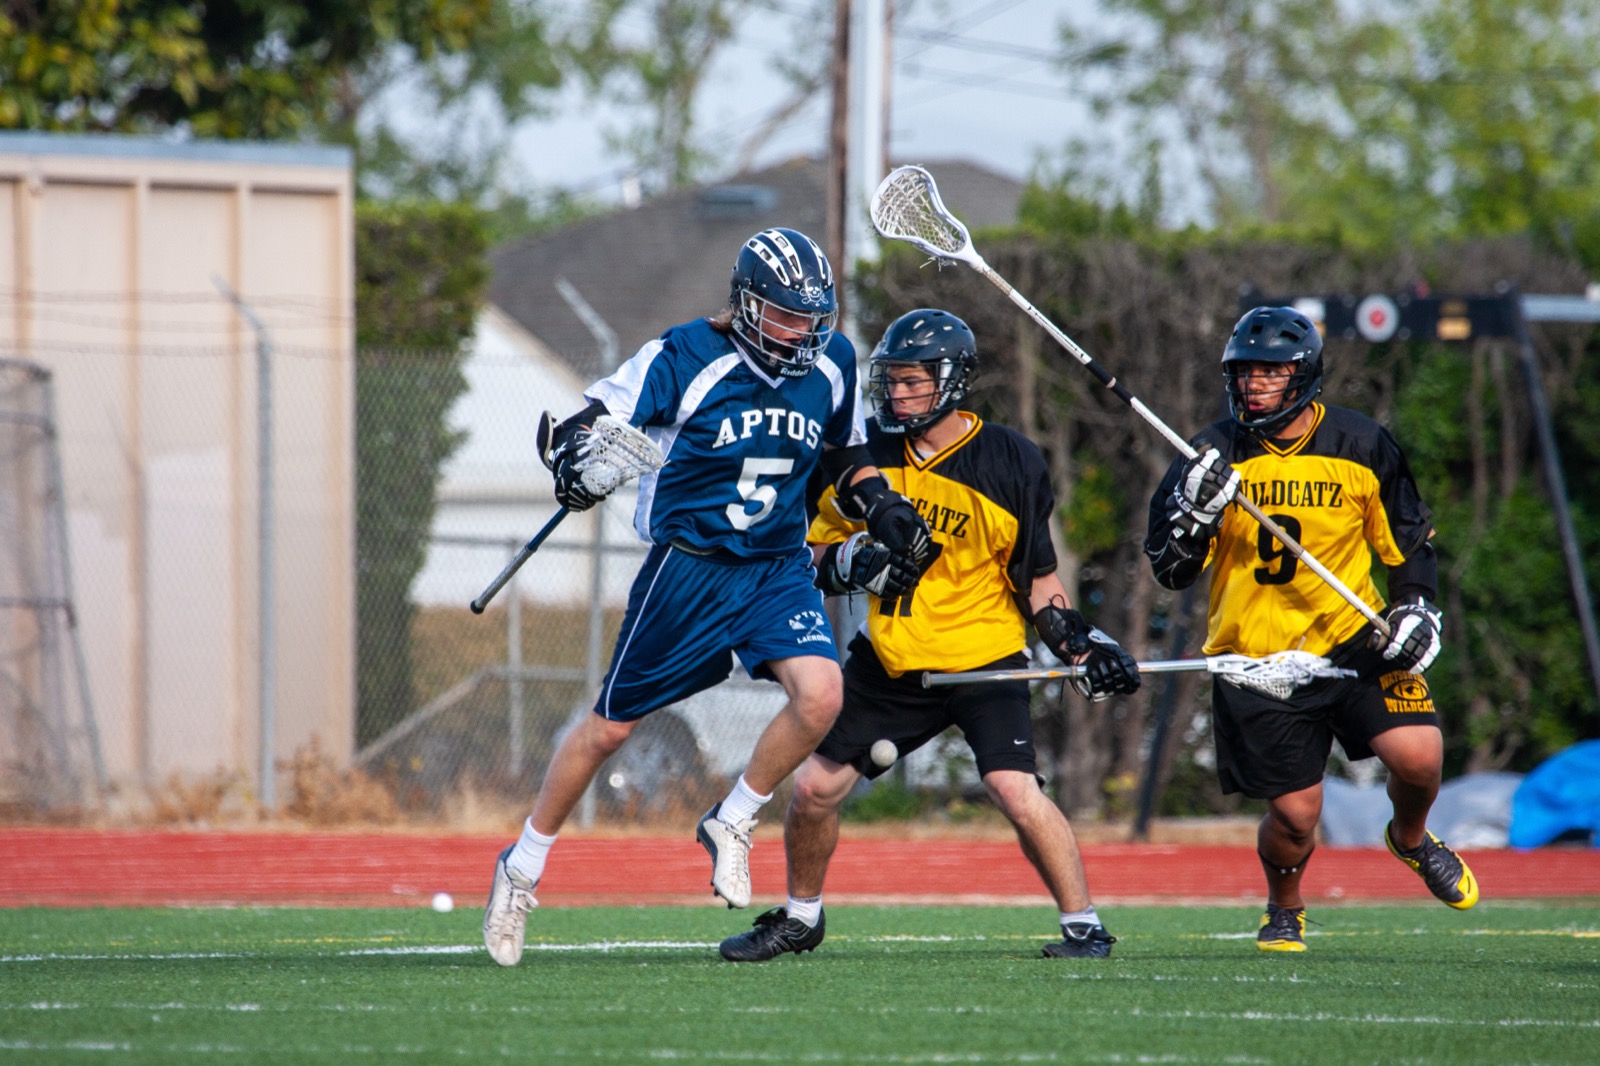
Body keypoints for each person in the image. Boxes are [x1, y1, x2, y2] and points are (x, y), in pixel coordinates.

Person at [482, 228, 934, 967]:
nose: (805, 334)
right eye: (789, 317)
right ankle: (522, 867)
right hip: (690, 566)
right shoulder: (684, 355)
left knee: (821, 696)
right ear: (748, 305)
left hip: (776, 564)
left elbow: (845, 453)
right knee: (607, 731)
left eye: (815, 319)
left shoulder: (833, 361)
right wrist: (576, 464)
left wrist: (879, 504)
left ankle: (734, 817)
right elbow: (592, 419)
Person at [717, 308, 1142, 964]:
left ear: (952, 381)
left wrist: (1083, 645)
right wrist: (851, 558)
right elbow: (805, 553)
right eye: (891, 381)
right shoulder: (866, 460)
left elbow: (1041, 582)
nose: (897, 394)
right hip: (891, 661)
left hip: (985, 660)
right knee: (814, 789)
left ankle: (1085, 925)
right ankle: (802, 918)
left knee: (1014, 790)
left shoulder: (1010, 461)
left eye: (913, 381)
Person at [1143, 305, 1479, 953]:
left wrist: (1415, 608)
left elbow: (1408, 546)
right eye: (1244, 373)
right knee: (1296, 817)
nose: (1254, 386)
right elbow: (1170, 570)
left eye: (1270, 372)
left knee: (1420, 757)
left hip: (1352, 642)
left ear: (1303, 376)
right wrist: (1193, 515)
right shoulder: (1209, 455)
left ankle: (1409, 838)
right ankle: (1285, 906)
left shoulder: (1361, 444)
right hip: (1257, 656)